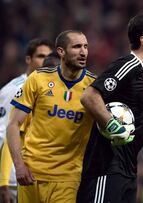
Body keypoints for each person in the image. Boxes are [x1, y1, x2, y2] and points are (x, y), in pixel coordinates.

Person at [77, 14, 143, 203]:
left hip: (127, 171)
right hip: (106, 168)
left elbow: (134, 115)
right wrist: (111, 125)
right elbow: (90, 96)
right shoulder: (128, 65)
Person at [6, 30, 95, 203]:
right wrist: (19, 166)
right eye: (77, 47)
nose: (83, 52)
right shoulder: (38, 79)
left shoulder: (93, 87)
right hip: (31, 173)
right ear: (61, 51)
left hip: (67, 177)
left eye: (85, 46)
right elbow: (13, 125)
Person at [0, 38, 52, 203]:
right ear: (28, 59)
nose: (46, 61)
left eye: (49, 56)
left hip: (36, 175)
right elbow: (4, 132)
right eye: (41, 56)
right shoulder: (17, 89)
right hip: (15, 177)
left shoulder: (47, 87)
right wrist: (4, 181)